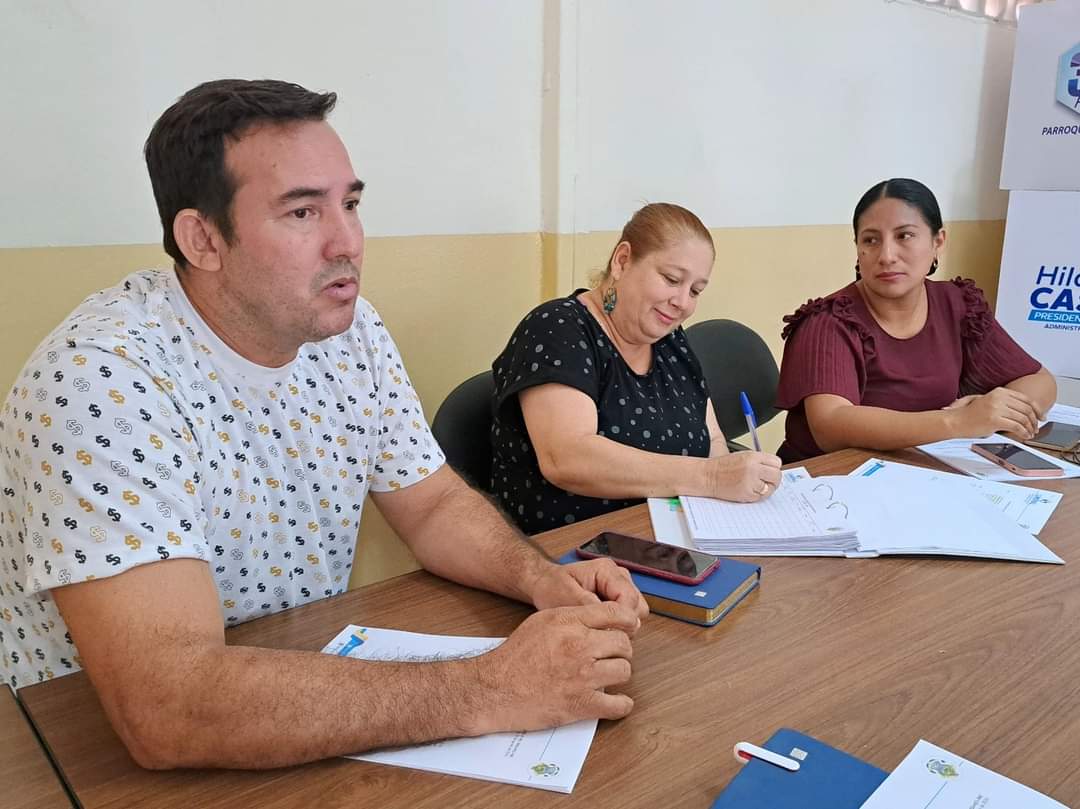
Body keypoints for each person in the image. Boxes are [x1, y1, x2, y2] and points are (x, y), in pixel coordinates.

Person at [0, 79, 649, 770]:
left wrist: (542, 580)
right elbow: (168, 705)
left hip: (291, 700)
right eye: (303, 211)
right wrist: (492, 687)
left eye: (351, 204)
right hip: (73, 756)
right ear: (202, 239)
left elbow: (431, 504)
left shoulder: (350, 332)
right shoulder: (100, 380)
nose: (348, 242)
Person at [490, 203, 782, 535]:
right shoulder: (556, 328)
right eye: (672, 279)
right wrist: (712, 478)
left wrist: (731, 488)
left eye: (695, 291)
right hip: (571, 549)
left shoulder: (671, 341)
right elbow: (567, 458)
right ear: (622, 260)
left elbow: (712, 438)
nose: (683, 302)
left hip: (672, 540)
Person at [775, 177, 1056, 463]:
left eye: (904, 236)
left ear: (938, 241)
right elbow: (831, 425)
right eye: (871, 240)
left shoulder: (957, 304)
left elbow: (1038, 380)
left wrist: (995, 413)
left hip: (929, 470)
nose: (886, 256)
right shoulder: (828, 321)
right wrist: (960, 422)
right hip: (833, 478)